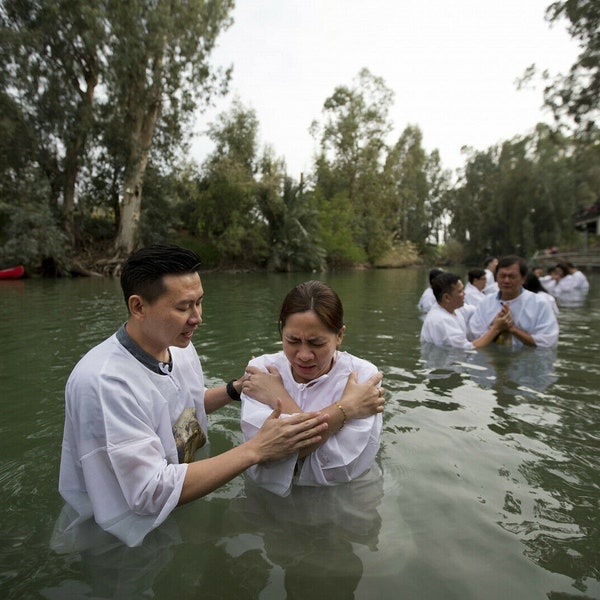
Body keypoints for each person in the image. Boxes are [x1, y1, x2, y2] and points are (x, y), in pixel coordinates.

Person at [56, 245, 374, 548]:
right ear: (139, 306)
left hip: (186, 500)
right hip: (125, 534)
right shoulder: (103, 383)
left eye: (199, 302)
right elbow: (147, 492)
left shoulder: (178, 346)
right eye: (183, 307)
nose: (198, 317)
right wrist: (256, 449)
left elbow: (183, 407)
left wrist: (234, 390)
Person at [240, 280, 385, 497]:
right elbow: (267, 453)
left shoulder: (363, 376)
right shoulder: (262, 371)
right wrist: (346, 408)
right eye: (292, 340)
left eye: (317, 343)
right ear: (281, 331)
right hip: (268, 498)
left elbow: (340, 466)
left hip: (344, 499)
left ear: (340, 336)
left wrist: (279, 398)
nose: (304, 355)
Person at [469, 255, 559, 348]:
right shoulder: (485, 303)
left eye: (512, 276)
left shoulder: (540, 304)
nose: (506, 281)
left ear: (523, 279)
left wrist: (513, 329)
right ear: (496, 278)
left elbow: (548, 342)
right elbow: (474, 337)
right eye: (502, 276)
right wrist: (496, 328)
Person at [419, 272, 511, 350]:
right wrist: (496, 328)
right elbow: (468, 349)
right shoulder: (442, 320)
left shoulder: (455, 309)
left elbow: (479, 310)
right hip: (446, 367)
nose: (464, 294)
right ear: (447, 297)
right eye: (460, 292)